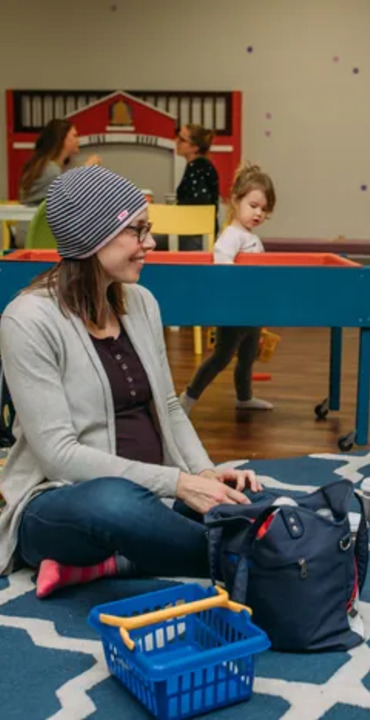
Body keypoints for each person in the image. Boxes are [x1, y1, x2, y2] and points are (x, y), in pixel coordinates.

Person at [0, 165, 261, 598]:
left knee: (243, 498)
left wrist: (205, 474)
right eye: (137, 230)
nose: (150, 243)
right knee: (115, 504)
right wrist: (180, 484)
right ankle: (245, 556)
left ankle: (125, 560)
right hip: (61, 504)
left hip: (153, 497)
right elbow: (60, 457)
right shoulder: (27, 320)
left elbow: (169, 407)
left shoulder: (141, 303)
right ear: (93, 236)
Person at [179, 164, 276, 414]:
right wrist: (235, 293)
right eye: (253, 206)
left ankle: (245, 397)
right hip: (234, 309)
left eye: (264, 209)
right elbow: (223, 262)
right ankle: (188, 397)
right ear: (235, 201)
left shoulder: (250, 237)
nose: (258, 213)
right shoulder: (233, 235)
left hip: (250, 309)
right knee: (221, 357)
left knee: (248, 356)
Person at [15, 119, 101, 247]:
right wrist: (87, 169)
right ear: (63, 140)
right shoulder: (50, 170)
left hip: (31, 232)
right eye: (74, 136)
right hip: (38, 237)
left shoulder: (44, 167)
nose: (78, 140)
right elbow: (69, 194)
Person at [174, 123, 219, 250]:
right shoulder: (199, 166)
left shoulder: (198, 167)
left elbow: (199, 201)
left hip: (196, 233)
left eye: (182, 140)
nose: (176, 141)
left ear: (195, 147)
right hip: (196, 230)